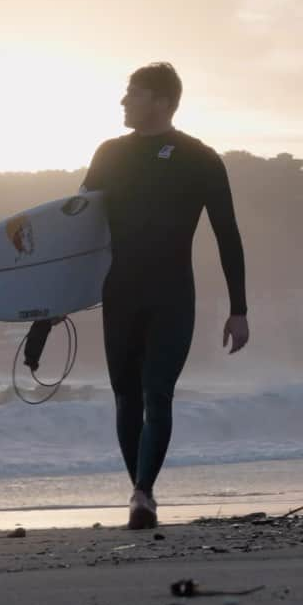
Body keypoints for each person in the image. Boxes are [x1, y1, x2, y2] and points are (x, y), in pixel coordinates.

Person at [77, 62, 249, 530]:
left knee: (158, 393)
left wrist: (239, 309)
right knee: (125, 397)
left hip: (172, 292)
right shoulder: (109, 154)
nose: (123, 101)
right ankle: (140, 493)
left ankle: (142, 493)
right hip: (121, 291)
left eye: (132, 93)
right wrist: (52, 304)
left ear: (161, 100)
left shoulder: (200, 158)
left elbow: (227, 234)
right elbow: (78, 231)